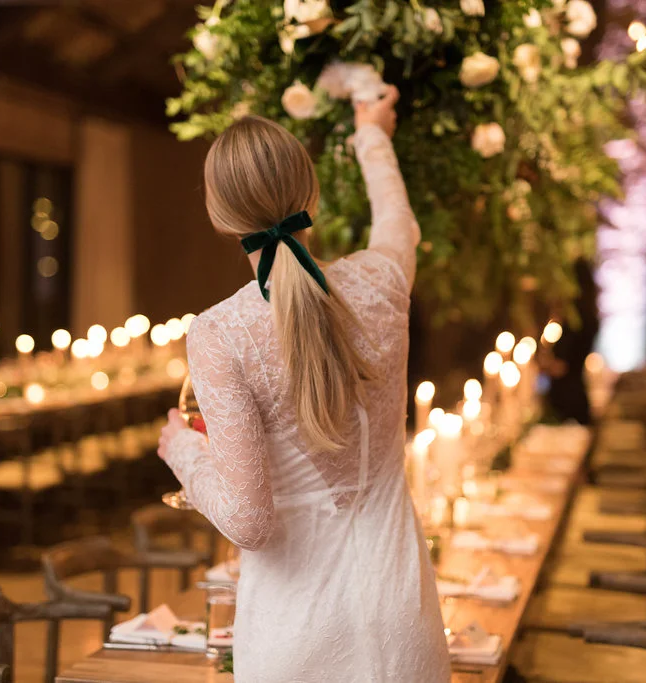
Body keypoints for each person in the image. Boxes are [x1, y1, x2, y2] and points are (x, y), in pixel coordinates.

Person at [157, 87, 450, 682]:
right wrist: (372, 134)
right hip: (404, 617)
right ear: (310, 194)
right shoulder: (381, 280)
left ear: (218, 214)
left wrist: (183, 452)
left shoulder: (220, 334)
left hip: (297, 631)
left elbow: (250, 522)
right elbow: (399, 221)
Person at [543, 258, 600, 425]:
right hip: (578, 394)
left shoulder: (574, 321)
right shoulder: (590, 316)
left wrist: (543, 363)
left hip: (565, 400)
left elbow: (560, 366)